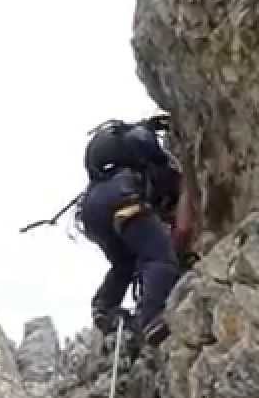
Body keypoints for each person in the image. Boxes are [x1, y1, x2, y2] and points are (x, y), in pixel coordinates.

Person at [78, 114, 191, 347]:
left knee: (125, 263)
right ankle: (152, 319)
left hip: (92, 212)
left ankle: (105, 306)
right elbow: (181, 230)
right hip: (124, 202)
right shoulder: (170, 174)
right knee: (158, 257)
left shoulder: (110, 172)